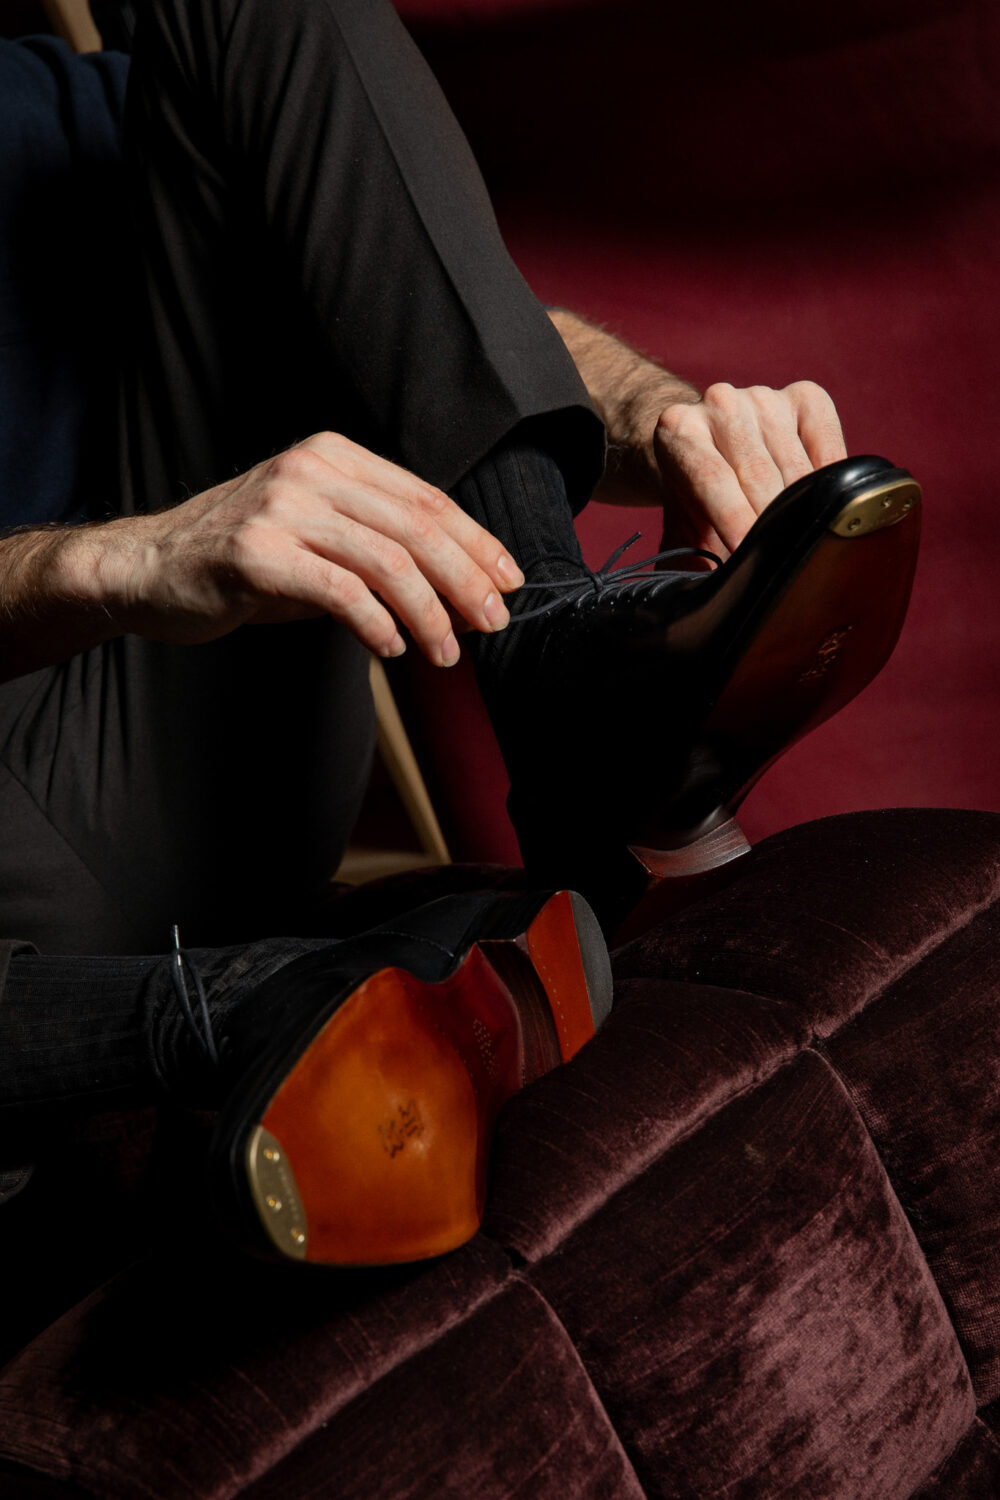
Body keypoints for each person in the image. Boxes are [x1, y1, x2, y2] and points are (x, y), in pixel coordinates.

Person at [0, 0, 920, 1263]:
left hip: (171, 748)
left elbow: (393, 279)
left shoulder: (46, 91)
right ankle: (279, 1004)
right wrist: (112, 563)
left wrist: (667, 424)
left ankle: (557, 673)